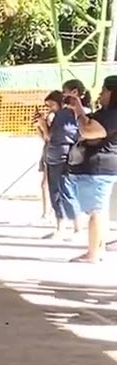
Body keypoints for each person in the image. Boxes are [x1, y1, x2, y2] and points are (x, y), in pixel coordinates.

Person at [64, 75, 117, 263]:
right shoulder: (106, 113)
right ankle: (98, 249)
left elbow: (88, 130)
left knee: (96, 211)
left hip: (99, 168)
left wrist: (79, 112)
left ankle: (93, 253)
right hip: (98, 167)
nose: (100, 95)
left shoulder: (112, 115)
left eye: (104, 91)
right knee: (98, 210)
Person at [36, 90, 83, 241]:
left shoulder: (64, 116)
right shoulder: (59, 116)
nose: (50, 109)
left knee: (65, 192)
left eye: (52, 105)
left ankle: (76, 228)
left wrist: (44, 126)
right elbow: (46, 138)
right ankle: (62, 227)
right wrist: (41, 126)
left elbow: (52, 137)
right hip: (54, 157)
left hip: (62, 158)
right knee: (56, 193)